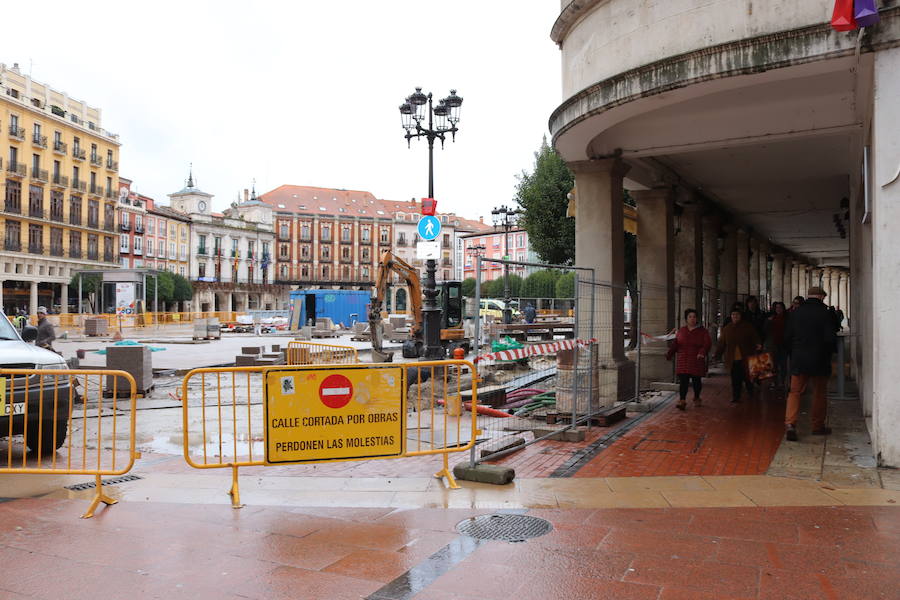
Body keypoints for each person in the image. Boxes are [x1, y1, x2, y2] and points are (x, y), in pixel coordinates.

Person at [784, 286, 838, 441]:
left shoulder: (796, 313)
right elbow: (830, 339)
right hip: (820, 359)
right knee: (819, 393)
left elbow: (787, 337)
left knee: (794, 392)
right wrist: (828, 355)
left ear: (808, 296)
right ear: (821, 297)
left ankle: (790, 424)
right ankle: (817, 426)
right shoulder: (826, 313)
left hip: (799, 359)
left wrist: (794, 353)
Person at [665, 308, 712, 410]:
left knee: (696, 381)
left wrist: (702, 353)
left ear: (697, 319)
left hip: (696, 359)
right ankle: (682, 400)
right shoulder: (682, 330)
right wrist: (669, 354)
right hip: (683, 360)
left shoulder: (703, 331)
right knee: (683, 381)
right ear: (686, 319)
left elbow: (706, 344)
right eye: (690, 317)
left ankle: (696, 397)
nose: (692, 319)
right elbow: (676, 344)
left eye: (694, 317)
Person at [716, 308, 761, 403]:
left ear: (741, 316)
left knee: (748, 378)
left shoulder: (748, 327)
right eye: (733, 314)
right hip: (733, 359)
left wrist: (758, 344)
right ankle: (736, 396)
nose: (735, 316)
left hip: (746, 357)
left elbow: (755, 337)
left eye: (737, 314)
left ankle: (751, 393)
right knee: (735, 380)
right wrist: (717, 355)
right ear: (731, 316)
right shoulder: (727, 329)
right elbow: (721, 343)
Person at [766, 301, 789, 391]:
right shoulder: (771, 318)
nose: (778, 309)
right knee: (773, 364)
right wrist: (768, 321)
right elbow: (766, 330)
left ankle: (782, 381)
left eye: (780, 308)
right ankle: (774, 381)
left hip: (783, 345)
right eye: (777, 308)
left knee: (783, 365)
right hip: (773, 345)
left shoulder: (787, 319)